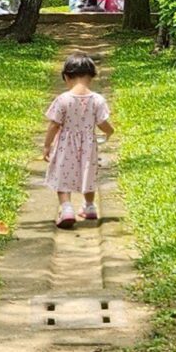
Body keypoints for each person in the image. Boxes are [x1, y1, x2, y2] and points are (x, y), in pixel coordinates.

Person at [42, 54, 114, 229]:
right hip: (89, 145)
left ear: (66, 77)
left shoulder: (63, 100)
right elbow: (102, 122)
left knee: (62, 173)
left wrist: (47, 145)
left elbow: (54, 125)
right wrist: (109, 132)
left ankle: (66, 207)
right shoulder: (97, 100)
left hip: (65, 145)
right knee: (88, 171)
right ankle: (89, 207)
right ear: (91, 77)